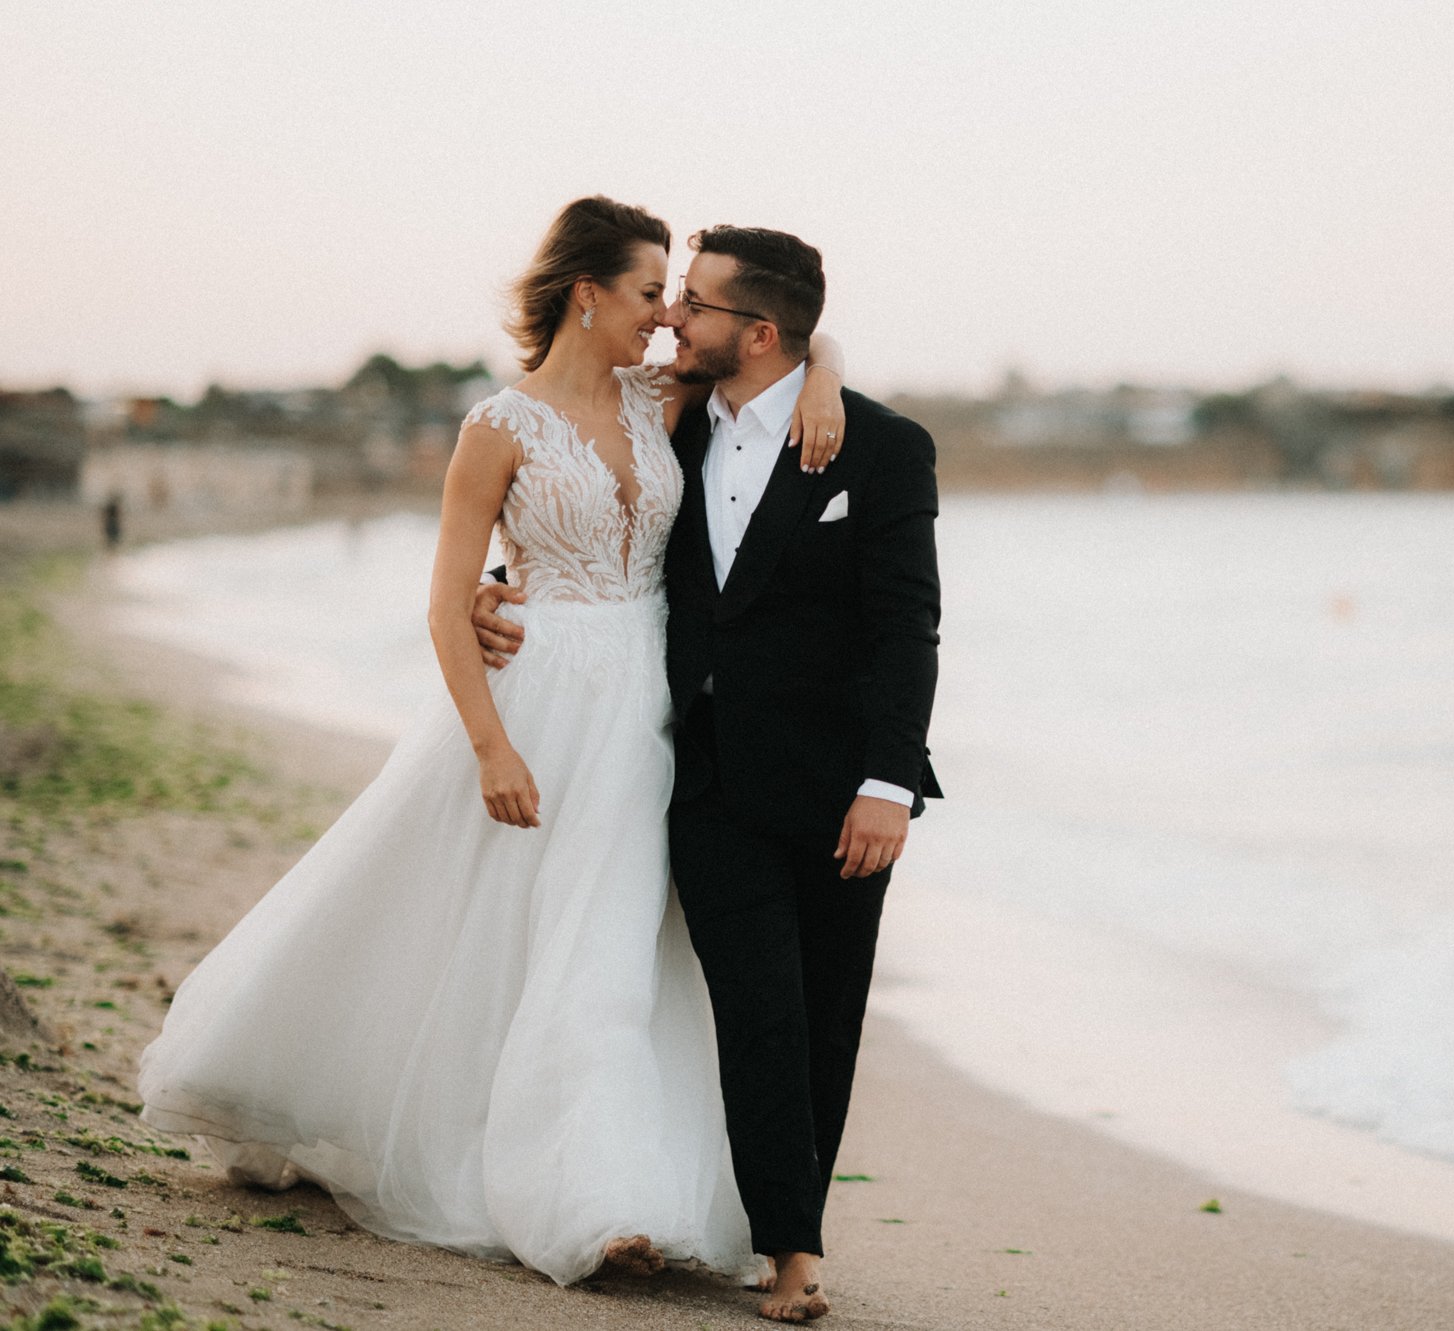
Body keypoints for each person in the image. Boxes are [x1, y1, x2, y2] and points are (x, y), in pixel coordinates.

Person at [136, 196, 850, 1294]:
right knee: (500, 931)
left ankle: (603, 1186)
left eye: (674, 292)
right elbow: (441, 603)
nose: (667, 315)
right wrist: (488, 748)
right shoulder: (494, 429)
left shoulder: (662, 398)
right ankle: (581, 1194)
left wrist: (834, 374)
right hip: (538, 700)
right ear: (586, 294)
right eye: (649, 289)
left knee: (606, 943)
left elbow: (789, 337)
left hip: (645, 710)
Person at [473, 224, 942, 1323]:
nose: (675, 315)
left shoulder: (881, 447)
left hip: (841, 792)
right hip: (706, 774)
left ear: (763, 331)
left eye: (696, 301)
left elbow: (906, 626)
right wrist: (506, 583)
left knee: (825, 1015)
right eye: (671, 295)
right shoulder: (667, 420)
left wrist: (887, 782)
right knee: (756, 1009)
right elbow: (594, 506)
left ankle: (790, 1237)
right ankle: (786, 1251)